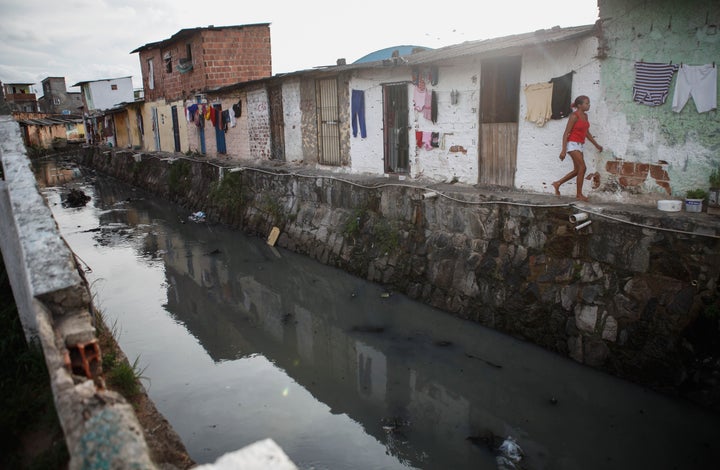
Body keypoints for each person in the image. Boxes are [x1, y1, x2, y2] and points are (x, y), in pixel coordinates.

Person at [552, 95, 603, 201]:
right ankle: (579, 194)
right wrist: (563, 150)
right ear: (579, 105)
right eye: (586, 103)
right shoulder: (574, 116)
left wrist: (596, 144)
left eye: (589, 103)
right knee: (583, 168)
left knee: (577, 170)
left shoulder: (585, 116)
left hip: (580, 144)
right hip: (572, 144)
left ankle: (558, 183)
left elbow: (587, 133)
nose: (588, 105)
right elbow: (566, 133)